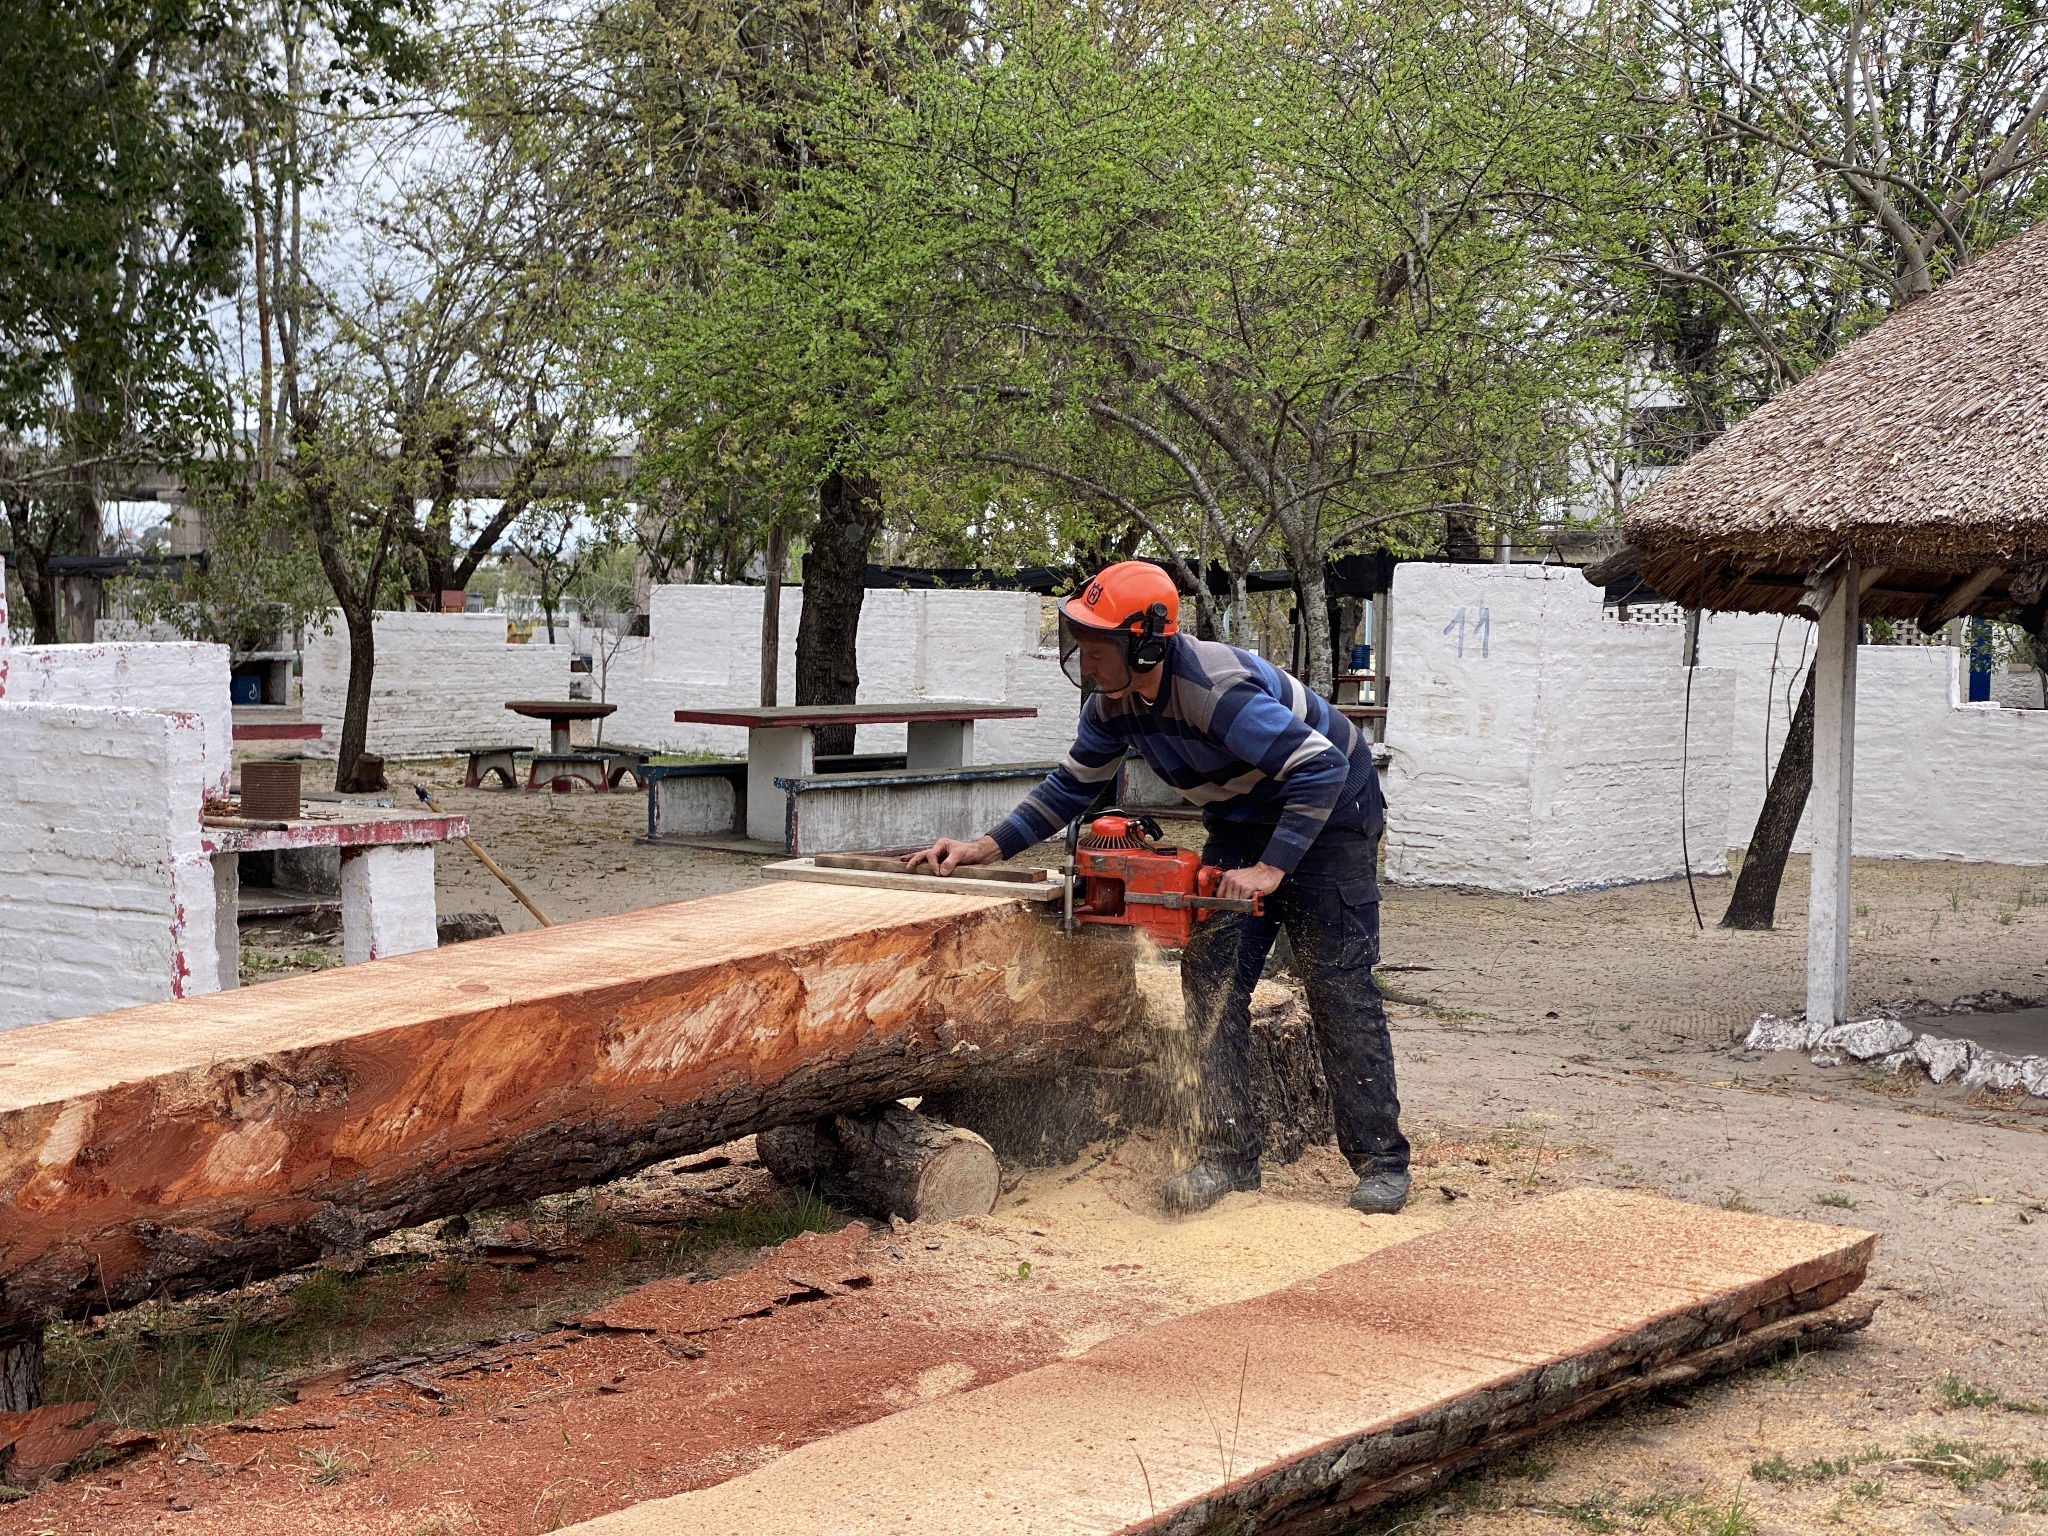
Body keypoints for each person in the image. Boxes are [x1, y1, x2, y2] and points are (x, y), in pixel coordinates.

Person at [905, 560, 1409, 1215]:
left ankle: (1381, 1163)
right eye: (1078, 643)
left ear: (1144, 644)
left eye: (1095, 646)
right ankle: (1227, 1156)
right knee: (1211, 976)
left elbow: (1318, 768)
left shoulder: (1213, 692)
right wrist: (983, 847)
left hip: (1332, 808)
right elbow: (1071, 787)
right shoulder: (1109, 705)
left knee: (1338, 983)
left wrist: (1269, 872)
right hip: (1241, 818)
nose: (1083, 660)